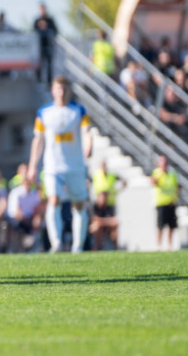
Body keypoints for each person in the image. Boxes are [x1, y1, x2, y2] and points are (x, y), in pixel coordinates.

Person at [27, 75, 92, 253]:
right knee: (53, 200)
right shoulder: (44, 113)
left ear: (69, 90)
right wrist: (33, 165)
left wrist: (89, 146)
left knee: (78, 205)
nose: (61, 93)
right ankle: (56, 243)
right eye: (58, 89)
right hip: (52, 167)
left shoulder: (79, 111)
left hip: (75, 166)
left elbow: (87, 132)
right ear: (53, 91)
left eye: (64, 89)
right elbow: (38, 140)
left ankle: (77, 245)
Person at [6, 175, 43, 252]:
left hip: (29, 218)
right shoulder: (16, 193)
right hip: (17, 219)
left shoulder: (33, 193)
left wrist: (37, 218)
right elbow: (17, 212)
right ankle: (23, 246)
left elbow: (37, 208)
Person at [150, 154, 180, 251]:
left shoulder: (172, 173)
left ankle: (170, 245)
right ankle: (158, 246)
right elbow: (153, 182)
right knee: (160, 226)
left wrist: (175, 197)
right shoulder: (156, 172)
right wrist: (161, 174)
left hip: (171, 202)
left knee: (171, 226)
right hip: (161, 203)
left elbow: (176, 186)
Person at [90, 161, 121, 251]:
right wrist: (106, 221)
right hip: (98, 226)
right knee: (97, 227)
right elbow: (95, 220)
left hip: (106, 224)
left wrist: (103, 221)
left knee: (114, 227)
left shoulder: (109, 206)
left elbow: (114, 221)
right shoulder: (95, 206)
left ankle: (116, 248)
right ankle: (98, 248)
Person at [33, 2, 58, 85]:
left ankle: (49, 81)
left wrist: (47, 27)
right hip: (38, 46)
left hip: (49, 46)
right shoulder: (37, 20)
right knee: (38, 64)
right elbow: (33, 32)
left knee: (49, 65)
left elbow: (55, 31)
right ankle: (38, 80)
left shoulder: (50, 20)